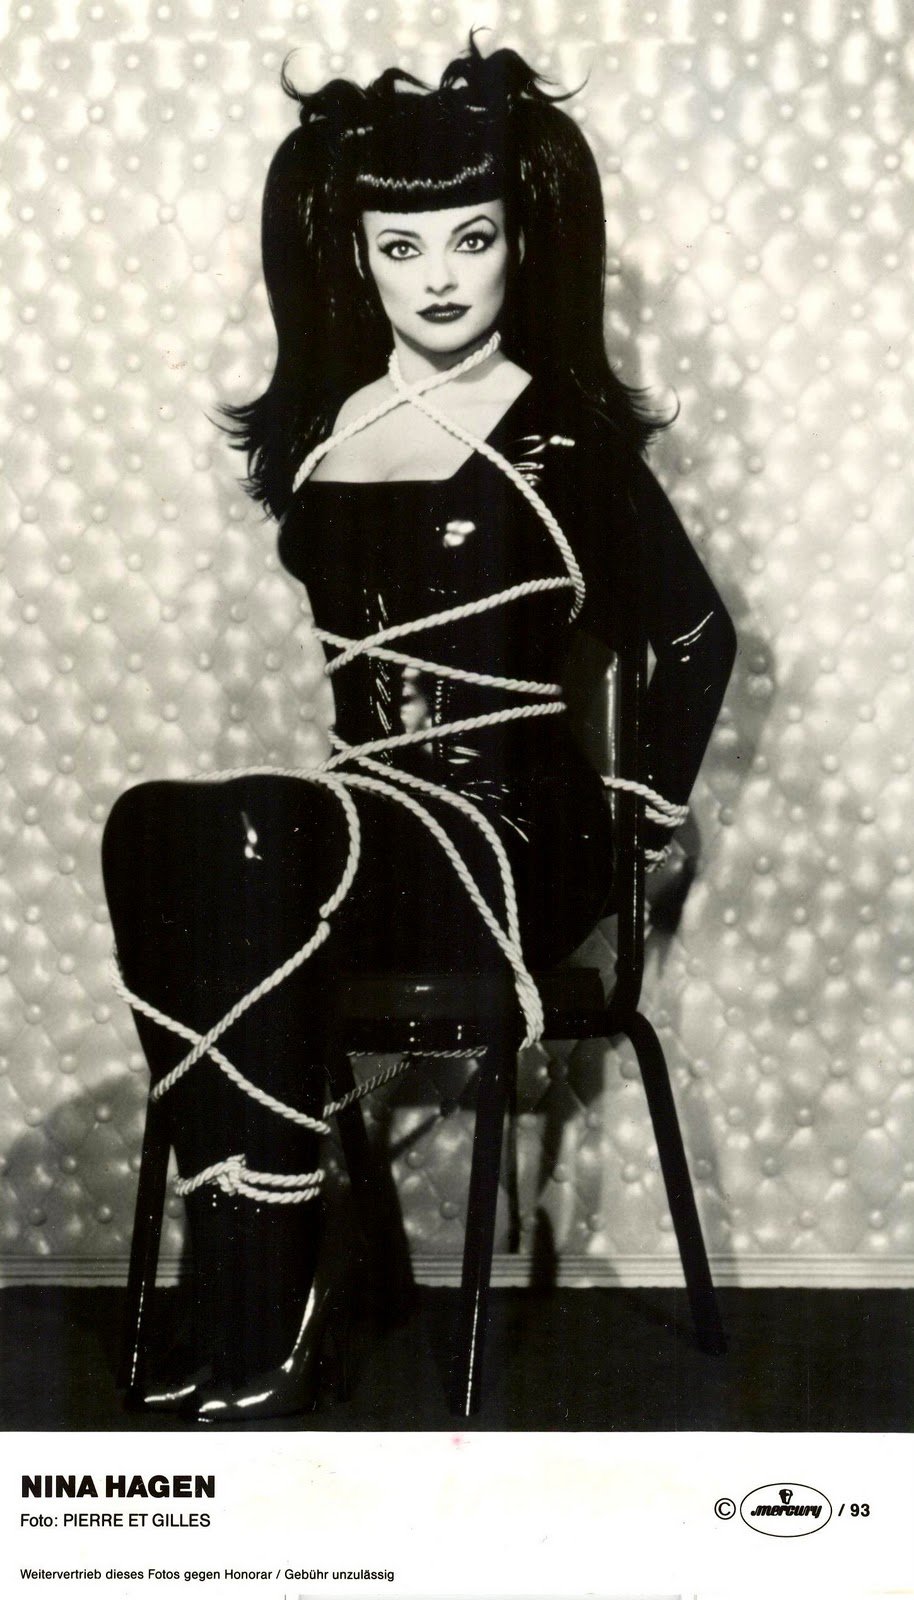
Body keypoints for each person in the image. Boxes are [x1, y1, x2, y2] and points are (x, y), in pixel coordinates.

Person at [102, 36, 736, 1422]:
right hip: (376, 827)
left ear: (522, 245)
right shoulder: (330, 430)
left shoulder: (561, 436)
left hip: (513, 840)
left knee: (250, 833)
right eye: (403, 246)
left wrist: (642, 811)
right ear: (358, 259)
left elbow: (693, 634)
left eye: (473, 237)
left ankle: (266, 1285)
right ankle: (272, 1238)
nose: (440, 274)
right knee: (153, 828)